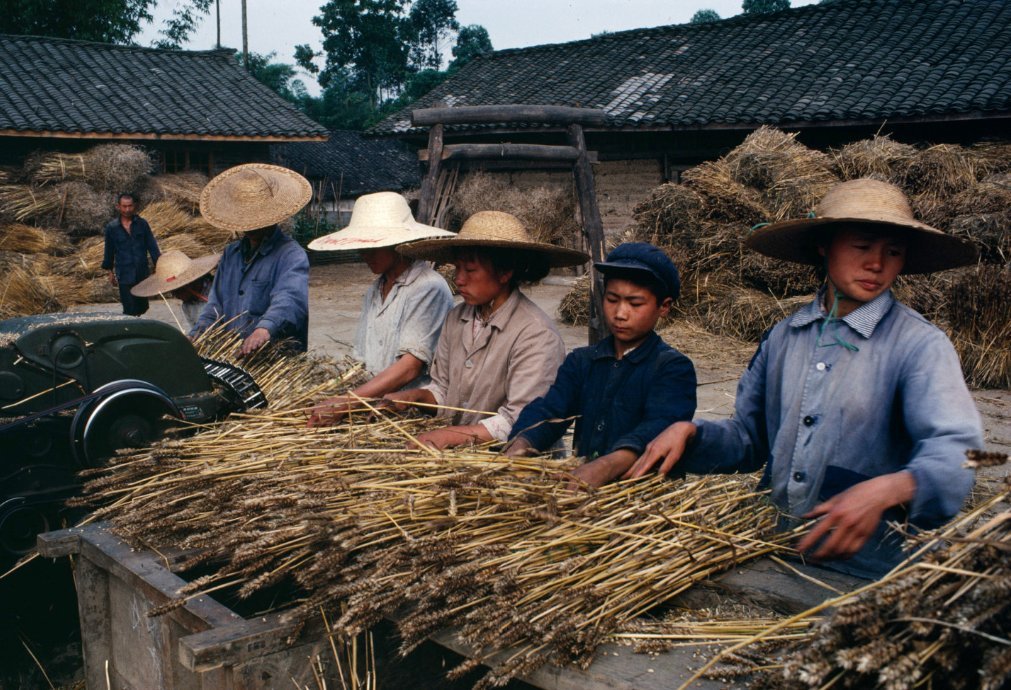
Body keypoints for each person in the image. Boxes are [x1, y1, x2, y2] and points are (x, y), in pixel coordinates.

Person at [625, 178, 984, 579]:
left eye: (894, 252)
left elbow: (965, 453)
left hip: (874, 571)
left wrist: (891, 488)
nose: (877, 265)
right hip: (779, 550)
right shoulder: (785, 337)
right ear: (824, 246)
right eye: (862, 247)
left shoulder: (919, 346)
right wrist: (692, 434)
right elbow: (751, 438)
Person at [386, 210, 588, 450]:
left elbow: (520, 420)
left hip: (511, 460)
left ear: (505, 272)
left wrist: (448, 435)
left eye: (470, 270)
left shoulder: (536, 334)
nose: (459, 279)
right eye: (457, 268)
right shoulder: (456, 318)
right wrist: (415, 397)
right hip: (462, 452)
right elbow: (443, 389)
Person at [504, 242, 697, 487]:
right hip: (582, 488)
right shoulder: (582, 362)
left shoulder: (672, 368)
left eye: (635, 304)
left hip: (643, 498)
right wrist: (521, 444)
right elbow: (550, 411)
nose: (620, 313)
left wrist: (604, 466)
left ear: (664, 306)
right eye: (612, 299)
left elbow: (659, 426)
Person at [305, 192, 455, 426]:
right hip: (371, 406)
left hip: (409, 414)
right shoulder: (375, 291)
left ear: (397, 243)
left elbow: (410, 368)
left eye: (374, 245)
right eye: (362, 246)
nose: (365, 253)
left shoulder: (427, 288)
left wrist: (346, 402)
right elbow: (363, 361)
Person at [190, 163, 311, 355]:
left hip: (276, 357)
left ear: (273, 216)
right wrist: (198, 333)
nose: (250, 225)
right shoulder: (231, 254)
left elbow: (290, 299)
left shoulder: (291, 255)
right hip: (237, 354)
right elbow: (215, 304)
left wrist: (264, 329)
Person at [101, 192, 160, 316]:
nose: (127, 209)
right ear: (118, 207)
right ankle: (131, 327)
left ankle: (137, 322)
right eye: (124, 206)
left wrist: (159, 265)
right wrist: (109, 271)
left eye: (130, 206)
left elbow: (152, 246)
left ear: (135, 206)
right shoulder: (112, 228)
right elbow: (109, 250)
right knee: (129, 308)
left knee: (142, 306)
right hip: (124, 273)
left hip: (141, 272)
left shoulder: (142, 224)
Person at [129, 250, 220, 329]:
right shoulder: (188, 307)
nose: (175, 296)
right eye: (172, 291)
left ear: (187, 285)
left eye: (177, 291)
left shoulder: (219, 291)